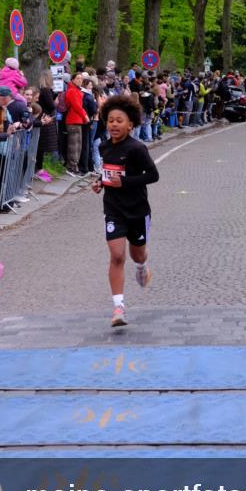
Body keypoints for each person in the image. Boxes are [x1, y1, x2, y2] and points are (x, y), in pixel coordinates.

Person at [91, 95, 160, 328]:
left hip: (138, 210)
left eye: (119, 121)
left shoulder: (137, 148)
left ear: (130, 124)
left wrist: (127, 182)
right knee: (117, 256)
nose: (114, 125)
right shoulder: (103, 146)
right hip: (114, 209)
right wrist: (100, 183)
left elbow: (153, 176)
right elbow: (107, 173)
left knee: (137, 255)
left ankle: (142, 267)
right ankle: (118, 307)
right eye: (110, 120)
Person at [64, 72, 88, 176]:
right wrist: (85, 116)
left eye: (81, 79)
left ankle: (74, 166)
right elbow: (77, 106)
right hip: (73, 120)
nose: (80, 80)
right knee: (74, 146)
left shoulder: (75, 90)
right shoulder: (72, 91)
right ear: (73, 79)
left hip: (77, 121)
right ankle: (72, 167)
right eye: (78, 78)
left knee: (78, 145)